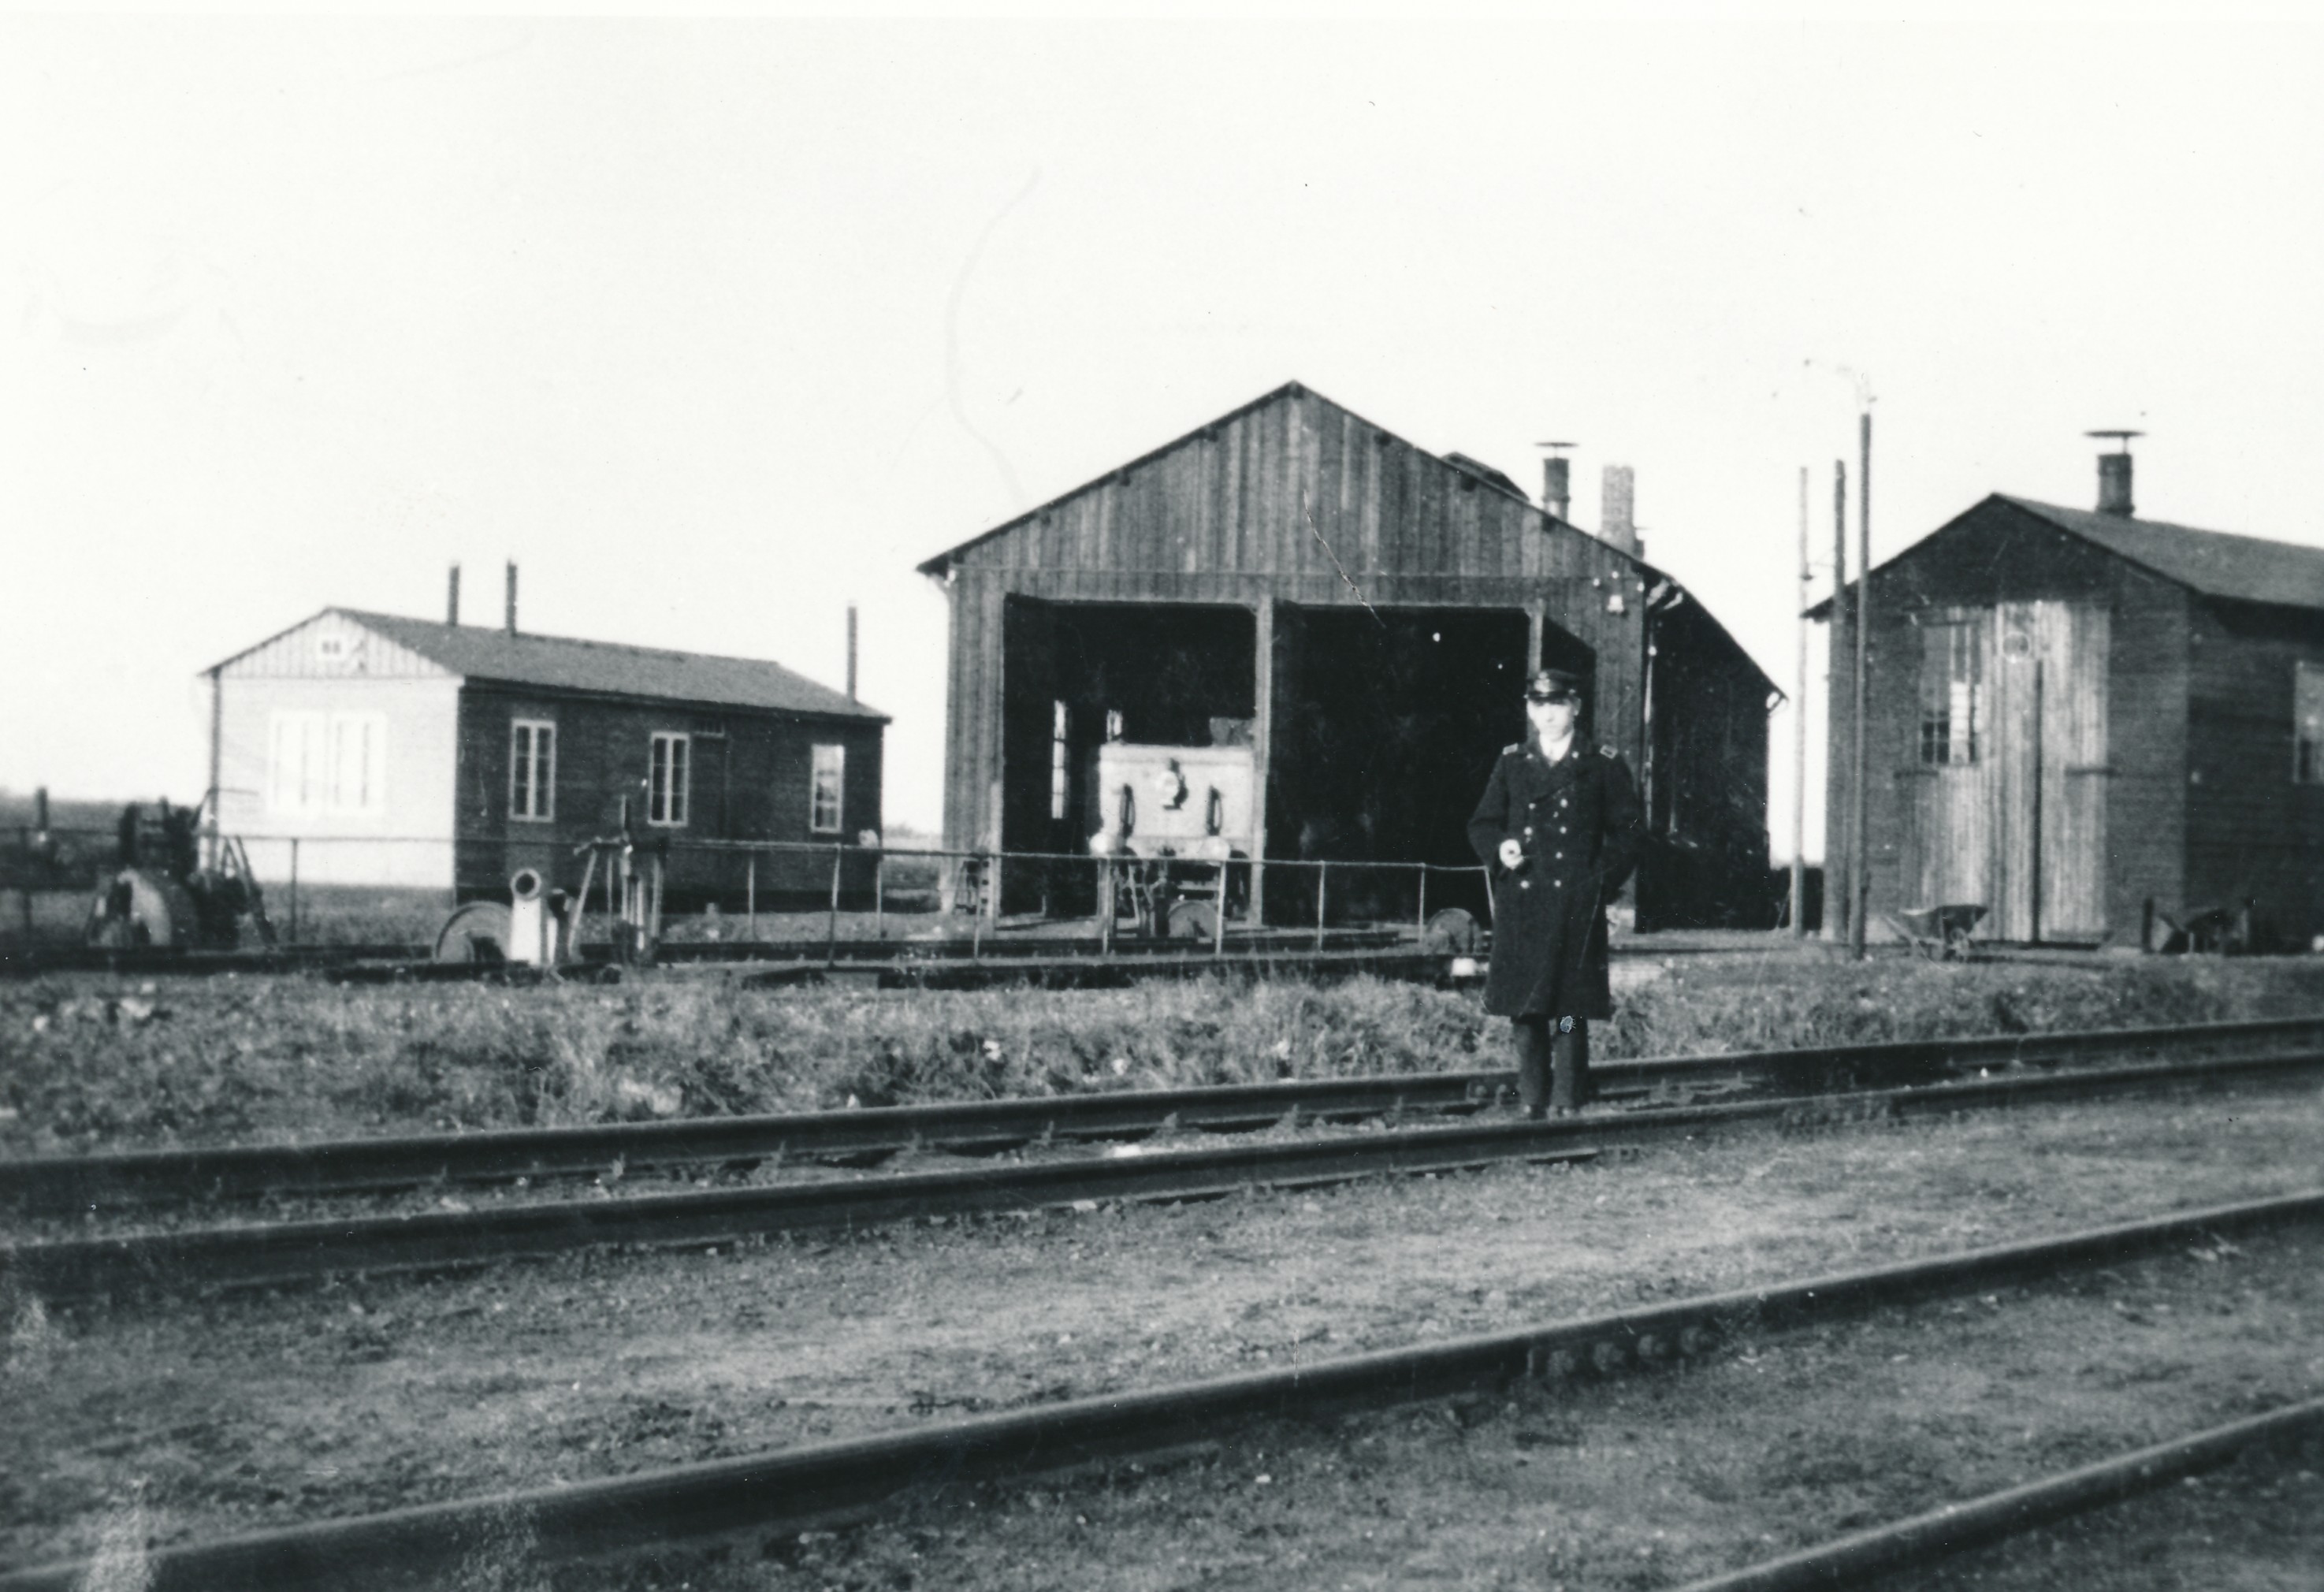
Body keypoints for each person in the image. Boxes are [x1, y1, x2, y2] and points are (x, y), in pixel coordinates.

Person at [1465, 668, 1645, 1118]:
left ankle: (1566, 1096)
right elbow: (1483, 822)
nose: (1547, 714)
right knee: (1525, 1008)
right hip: (1523, 902)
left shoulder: (1602, 763)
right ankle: (1531, 1096)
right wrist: (1499, 849)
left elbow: (1630, 833)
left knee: (1568, 1008)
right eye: (1539, 705)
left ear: (1575, 708)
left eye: (1557, 704)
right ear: (1529, 709)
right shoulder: (1512, 762)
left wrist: (1597, 881)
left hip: (1574, 904)